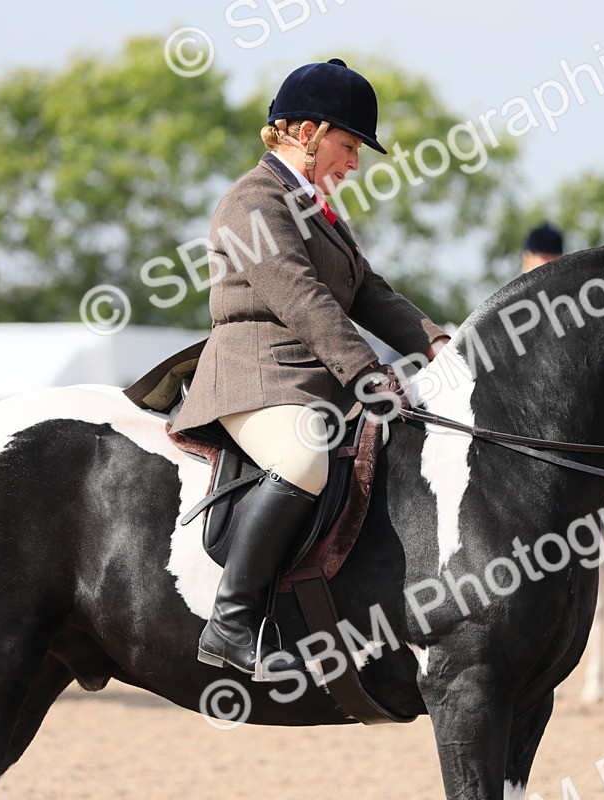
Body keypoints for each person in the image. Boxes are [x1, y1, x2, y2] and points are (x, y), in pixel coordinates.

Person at [169, 58, 449, 679]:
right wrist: (364, 371)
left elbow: (367, 290)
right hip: (256, 373)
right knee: (301, 457)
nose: (354, 164)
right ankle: (231, 620)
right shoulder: (253, 202)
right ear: (306, 131)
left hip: (309, 376)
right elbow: (302, 297)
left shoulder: (315, 207)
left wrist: (436, 342)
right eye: (348, 146)